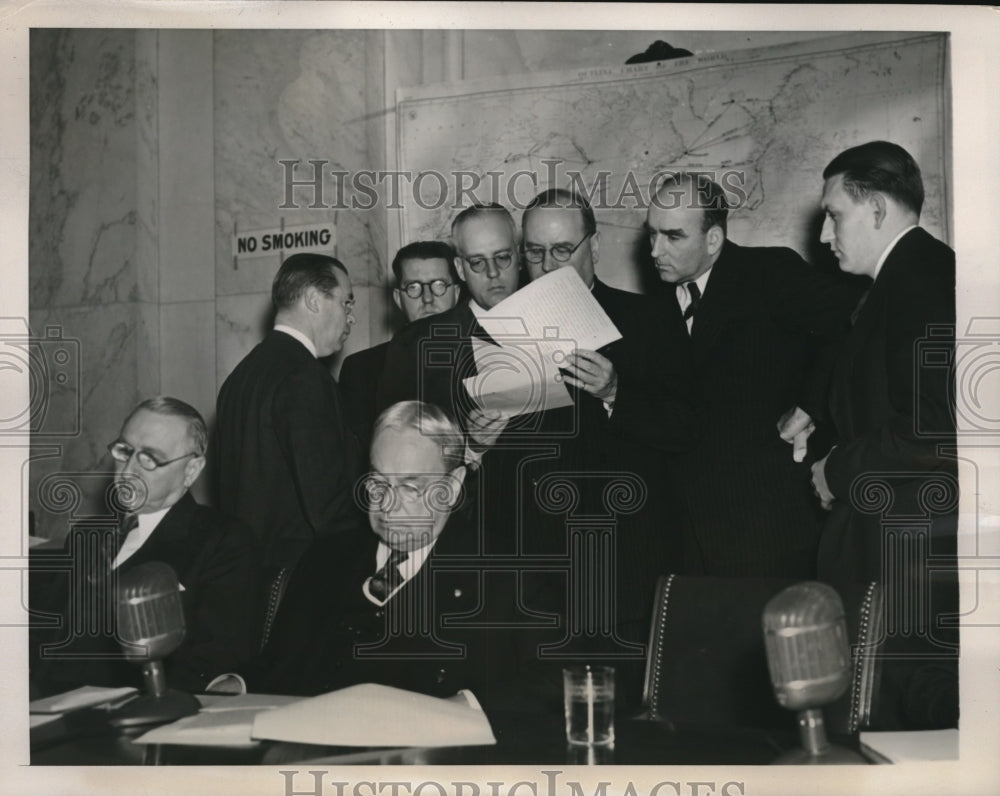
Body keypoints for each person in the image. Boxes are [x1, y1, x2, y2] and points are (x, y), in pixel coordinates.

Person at [212, 401, 561, 711]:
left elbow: (556, 679)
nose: (387, 504)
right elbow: (280, 663)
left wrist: (463, 709)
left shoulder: (505, 574)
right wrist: (235, 683)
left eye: (410, 486)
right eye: (378, 484)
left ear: (452, 487)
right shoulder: (328, 557)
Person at [646, 172, 862, 578]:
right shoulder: (657, 303)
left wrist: (812, 404)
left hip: (769, 531)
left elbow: (857, 316)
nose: (655, 250)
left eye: (673, 236)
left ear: (713, 240)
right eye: (652, 234)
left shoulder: (769, 272)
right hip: (690, 541)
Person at [811, 141, 957, 729]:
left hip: (911, 558)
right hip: (900, 547)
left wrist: (836, 469)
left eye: (833, 214)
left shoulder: (921, 279)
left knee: (909, 723)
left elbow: (936, 427)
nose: (824, 235)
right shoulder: (908, 277)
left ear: (876, 210)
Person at [520, 188, 700, 635]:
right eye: (535, 251)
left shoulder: (650, 319)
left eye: (562, 249)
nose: (547, 265)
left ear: (594, 247)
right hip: (538, 574)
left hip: (626, 569)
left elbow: (687, 428)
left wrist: (616, 393)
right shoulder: (505, 330)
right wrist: (480, 441)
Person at [31, 397, 260, 696]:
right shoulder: (86, 535)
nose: (128, 471)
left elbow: (214, 659)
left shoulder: (222, 541)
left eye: (150, 458)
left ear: (191, 470)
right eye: (125, 451)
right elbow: (43, 640)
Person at [213, 253, 363, 572]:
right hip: (298, 581)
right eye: (346, 303)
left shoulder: (240, 378)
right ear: (313, 299)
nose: (351, 318)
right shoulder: (305, 377)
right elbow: (329, 507)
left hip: (247, 576)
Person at [339, 240, 461, 454]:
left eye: (439, 285)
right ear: (398, 298)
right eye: (413, 287)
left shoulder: (484, 358)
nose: (428, 298)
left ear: (457, 293)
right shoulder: (361, 370)